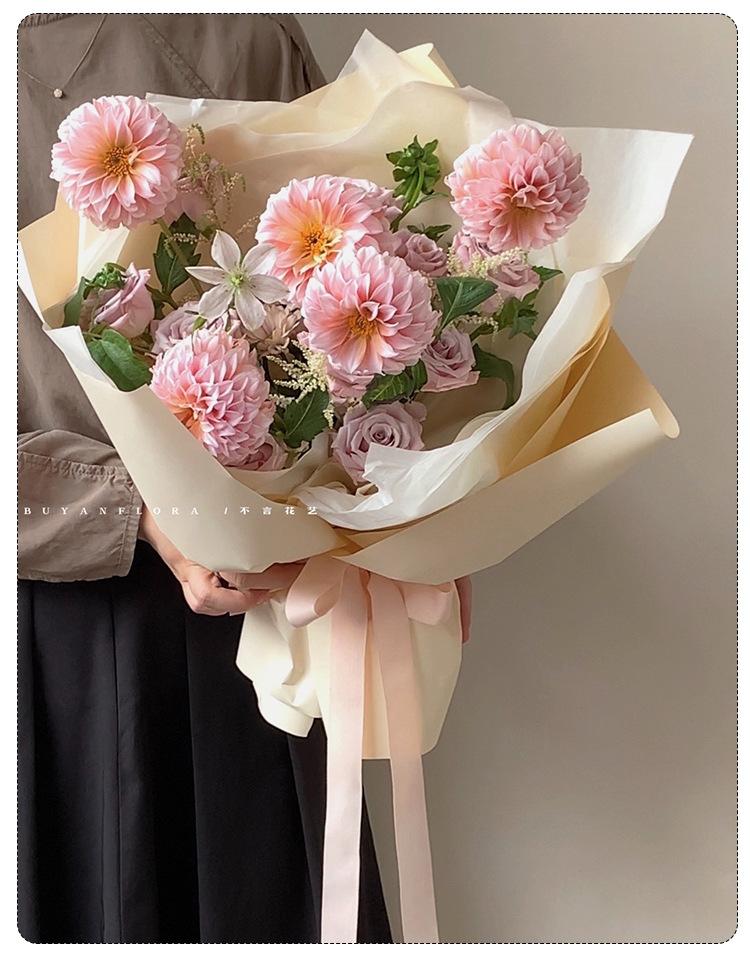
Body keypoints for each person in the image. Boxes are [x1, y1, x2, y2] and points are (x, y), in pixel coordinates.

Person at [18, 14, 392, 943]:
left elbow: (354, 283)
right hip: (88, 616)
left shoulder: (249, 31)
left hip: (249, 604)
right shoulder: (246, 30)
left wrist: (393, 509)